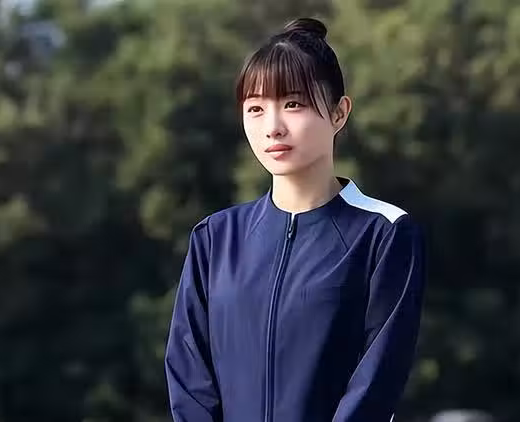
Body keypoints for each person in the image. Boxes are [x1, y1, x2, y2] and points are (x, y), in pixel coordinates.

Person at [164, 17, 426, 422]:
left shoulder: (384, 234)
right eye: (256, 108)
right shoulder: (215, 238)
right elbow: (189, 377)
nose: (272, 128)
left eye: (293, 104)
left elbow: (377, 382)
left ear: (339, 113)